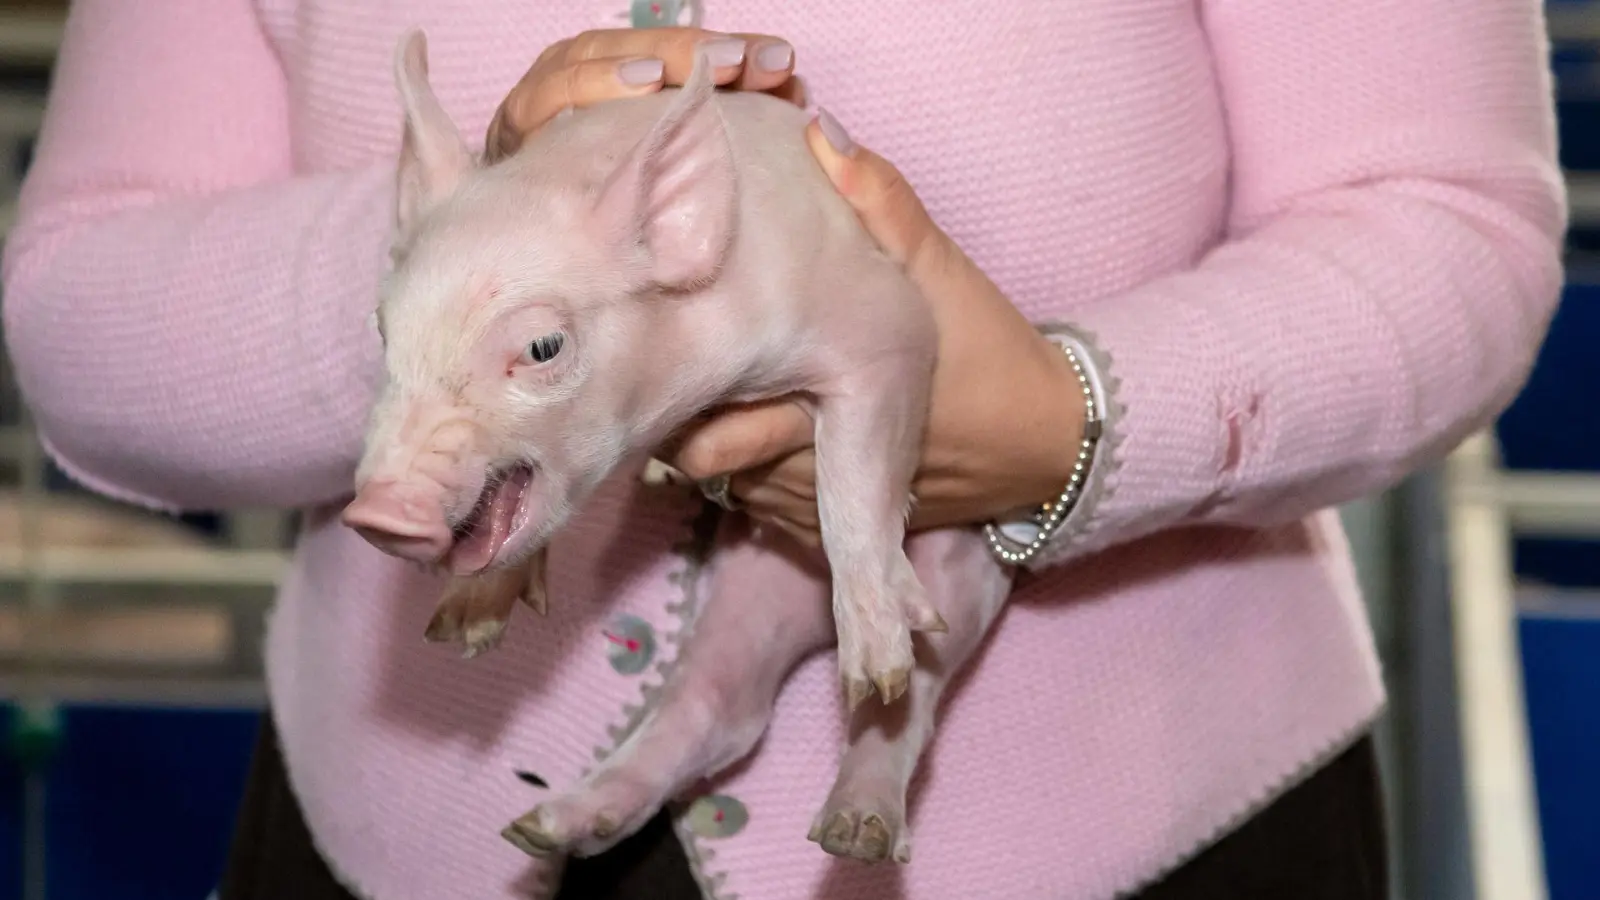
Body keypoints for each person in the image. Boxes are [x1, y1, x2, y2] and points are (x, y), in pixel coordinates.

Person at [0, 0, 1565, 898]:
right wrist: (476, 250)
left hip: (1143, 841)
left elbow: (1449, 225)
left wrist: (1077, 424)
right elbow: (78, 301)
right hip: (402, 829)